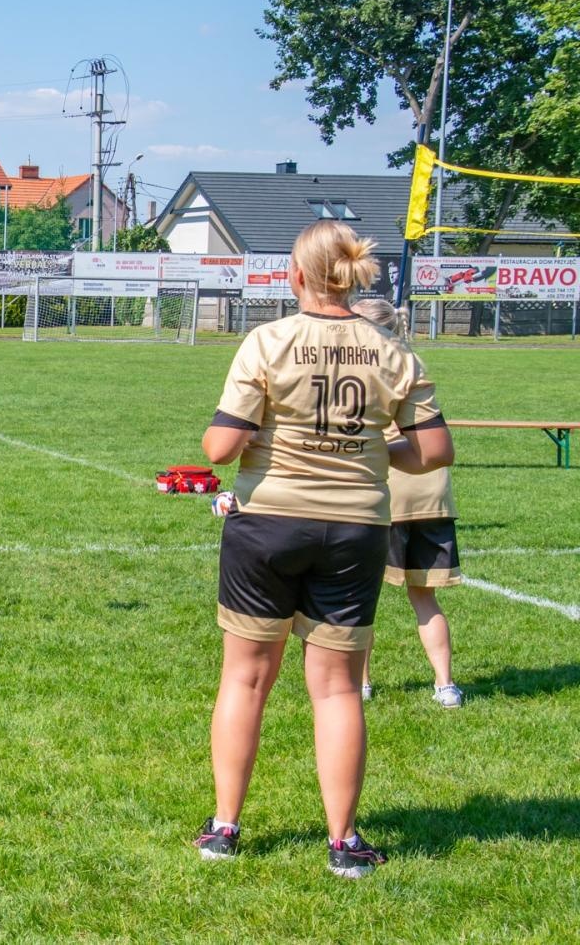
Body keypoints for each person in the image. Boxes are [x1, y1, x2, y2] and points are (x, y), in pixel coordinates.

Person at [193, 219, 453, 878]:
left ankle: (225, 827)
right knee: (337, 689)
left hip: (268, 523)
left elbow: (220, 448)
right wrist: (367, 448)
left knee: (246, 677)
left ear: (296, 276)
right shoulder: (391, 349)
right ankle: (343, 842)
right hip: (355, 530)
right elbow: (433, 450)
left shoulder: (267, 340)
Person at [350, 297, 464, 708]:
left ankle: (360, 683)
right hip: (434, 494)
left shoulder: (371, 368)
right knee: (425, 598)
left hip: (388, 495)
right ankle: (445, 685)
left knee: (361, 597)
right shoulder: (414, 364)